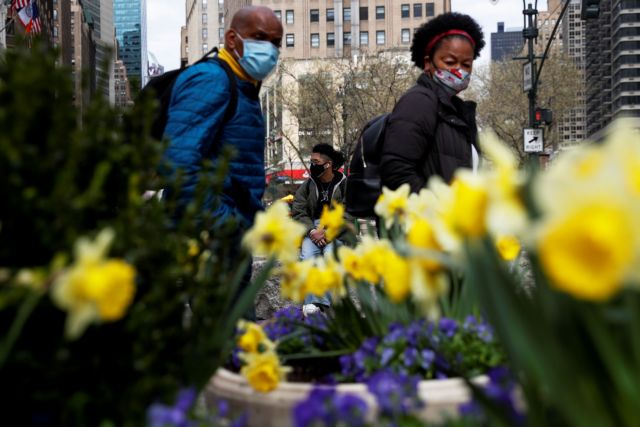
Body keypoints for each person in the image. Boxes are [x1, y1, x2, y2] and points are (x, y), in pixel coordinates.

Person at [161, 6, 283, 319]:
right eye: (259, 38)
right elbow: (177, 166)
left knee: (230, 345)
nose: (269, 49)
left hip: (229, 239)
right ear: (232, 38)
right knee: (231, 344)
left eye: (276, 42)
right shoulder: (212, 80)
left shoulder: (243, 85)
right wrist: (225, 224)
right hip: (212, 240)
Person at [380, 12, 485, 193]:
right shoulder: (419, 102)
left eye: (467, 64)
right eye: (450, 61)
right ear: (428, 63)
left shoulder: (454, 111)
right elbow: (396, 171)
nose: (459, 71)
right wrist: (436, 210)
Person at [291, 143, 347, 316]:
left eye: (315, 161)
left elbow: (349, 212)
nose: (312, 165)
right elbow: (298, 211)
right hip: (312, 231)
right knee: (307, 258)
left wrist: (329, 232)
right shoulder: (308, 185)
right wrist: (311, 231)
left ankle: (318, 306)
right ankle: (317, 306)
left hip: (336, 231)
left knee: (331, 258)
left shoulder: (345, 184)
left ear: (328, 164)